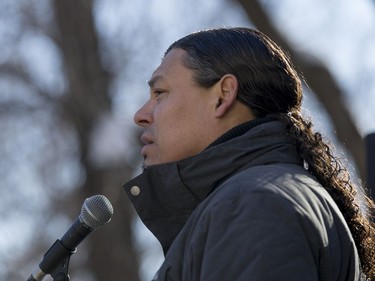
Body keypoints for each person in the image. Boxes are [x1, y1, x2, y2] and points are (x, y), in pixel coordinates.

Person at [123, 27, 375, 280]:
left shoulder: (250, 203)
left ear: (222, 96)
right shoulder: (254, 199)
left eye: (159, 93)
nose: (141, 115)